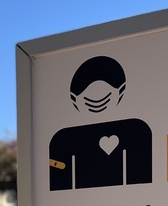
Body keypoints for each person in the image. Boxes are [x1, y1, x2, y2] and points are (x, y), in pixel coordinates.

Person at [49, 56, 152, 190]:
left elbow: (142, 182)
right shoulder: (63, 139)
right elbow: (58, 183)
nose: (96, 100)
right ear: (74, 99)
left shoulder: (137, 130)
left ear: (121, 90)